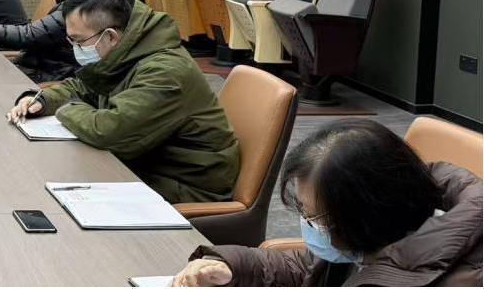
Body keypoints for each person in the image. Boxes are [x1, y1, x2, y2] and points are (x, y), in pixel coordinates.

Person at [172, 119, 482, 287]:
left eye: (314, 217)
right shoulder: (374, 238)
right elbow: (309, 267)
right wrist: (231, 268)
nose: (308, 225)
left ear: (366, 217)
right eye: (303, 210)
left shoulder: (461, 278)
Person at [6, 0, 238, 204]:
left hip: (185, 186)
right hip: (147, 166)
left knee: (56, 190)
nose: (75, 49)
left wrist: (67, 110)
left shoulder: (164, 72)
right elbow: (83, 87)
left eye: (78, 41)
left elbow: (109, 132)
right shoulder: (127, 52)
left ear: (110, 36)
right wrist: (42, 100)